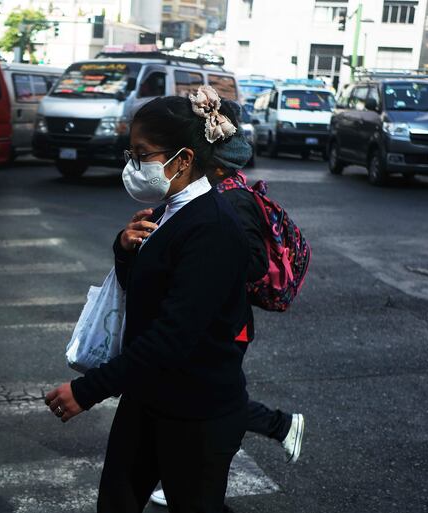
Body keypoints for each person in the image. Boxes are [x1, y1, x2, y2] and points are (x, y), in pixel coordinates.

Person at [46, 86, 251, 513]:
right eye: (131, 154)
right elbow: (142, 296)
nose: (134, 165)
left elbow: (173, 335)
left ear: (184, 160)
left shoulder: (211, 228)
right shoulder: (166, 211)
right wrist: (125, 249)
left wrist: (88, 390)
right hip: (147, 400)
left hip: (196, 415)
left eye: (143, 155)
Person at [148, 99, 305, 509]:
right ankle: (193, 475)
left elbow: (252, 262)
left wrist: (207, 267)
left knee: (216, 403)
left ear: (214, 161)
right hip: (211, 320)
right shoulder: (210, 193)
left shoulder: (232, 199)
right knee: (205, 400)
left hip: (225, 323)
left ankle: (267, 431)